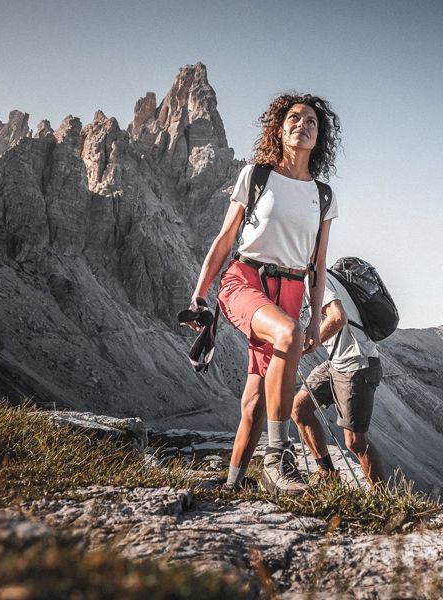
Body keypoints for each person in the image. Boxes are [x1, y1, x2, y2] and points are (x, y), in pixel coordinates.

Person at [187, 93, 341, 494]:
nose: (302, 124)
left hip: (291, 294)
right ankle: (277, 457)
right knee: (286, 335)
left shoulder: (323, 196)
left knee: (255, 400)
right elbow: (224, 240)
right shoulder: (256, 176)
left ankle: (233, 485)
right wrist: (199, 294)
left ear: (318, 135)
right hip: (245, 281)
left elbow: (318, 264)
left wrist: (311, 318)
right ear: (280, 127)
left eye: (311, 121)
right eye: (293, 118)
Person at [292, 272, 385, 484]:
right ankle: (328, 474)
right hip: (337, 363)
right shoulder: (317, 279)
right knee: (300, 408)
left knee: (355, 442)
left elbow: (337, 318)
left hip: (357, 364)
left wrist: (303, 347)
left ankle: (382, 500)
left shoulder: (314, 278)